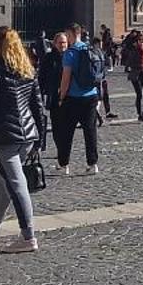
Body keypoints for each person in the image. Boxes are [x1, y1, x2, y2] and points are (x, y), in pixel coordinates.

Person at [0, 26, 46, 252]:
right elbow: (38, 106)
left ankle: (28, 237)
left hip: (4, 135)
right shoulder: (26, 68)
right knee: (4, 184)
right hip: (27, 135)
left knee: (16, 184)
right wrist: (40, 138)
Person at [54, 26, 104, 175]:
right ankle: (92, 164)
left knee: (66, 132)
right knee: (90, 131)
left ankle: (64, 165)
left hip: (73, 98)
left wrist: (61, 96)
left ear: (70, 34)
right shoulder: (91, 49)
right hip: (91, 95)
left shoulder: (70, 53)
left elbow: (66, 77)